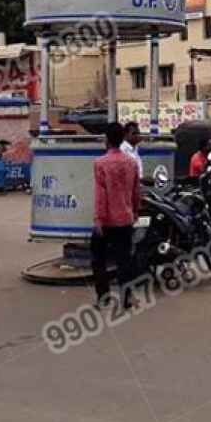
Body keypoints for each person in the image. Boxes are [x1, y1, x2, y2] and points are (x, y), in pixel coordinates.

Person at [91, 122, 141, 308]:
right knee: (124, 259)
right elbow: (136, 193)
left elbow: (100, 195)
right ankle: (127, 297)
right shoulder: (132, 163)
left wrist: (99, 220)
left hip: (106, 220)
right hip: (125, 218)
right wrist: (135, 212)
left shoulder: (100, 163)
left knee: (99, 259)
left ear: (107, 140)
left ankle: (103, 297)